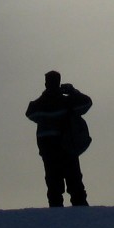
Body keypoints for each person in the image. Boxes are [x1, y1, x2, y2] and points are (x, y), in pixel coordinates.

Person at [26, 71, 92, 207]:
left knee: (55, 186)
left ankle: (58, 216)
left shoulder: (42, 104)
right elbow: (86, 102)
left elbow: (30, 112)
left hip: (51, 149)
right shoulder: (66, 102)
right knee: (74, 184)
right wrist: (73, 92)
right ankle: (80, 215)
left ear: (46, 83)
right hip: (66, 147)